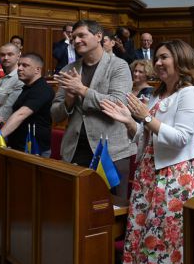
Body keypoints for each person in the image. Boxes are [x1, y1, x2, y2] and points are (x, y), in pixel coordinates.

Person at [100, 39, 194, 264]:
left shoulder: (189, 93)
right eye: (156, 58)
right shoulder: (157, 94)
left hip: (176, 177)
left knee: (173, 253)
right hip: (149, 174)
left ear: (180, 60)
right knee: (158, 253)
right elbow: (145, 137)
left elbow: (179, 138)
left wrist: (145, 117)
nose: (158, 63)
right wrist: (128, 121)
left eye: (164, 57)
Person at [51, 20, 135, 199]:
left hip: (111, 150)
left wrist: (81, 90)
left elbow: (118, 104)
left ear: (98, 37)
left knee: (111, 207)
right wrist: (69, 99)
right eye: (73, 37)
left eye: (82, 35)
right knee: (75, 205)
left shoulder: (118, 66)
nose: (77, 40)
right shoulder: (69, 69)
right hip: (75, 150)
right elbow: (55, 114)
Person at [0, 53, 54, 156]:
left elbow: (21, 114)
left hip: (34, 151)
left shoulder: (42, 89)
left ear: (37, 70)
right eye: (19, 65)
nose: (19, 68)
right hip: (19, 147)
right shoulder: (27, 87)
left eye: (25, 65)